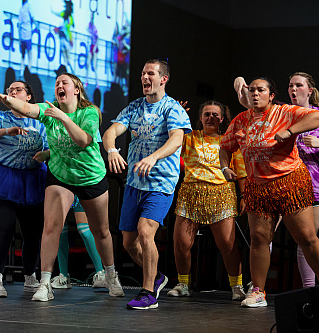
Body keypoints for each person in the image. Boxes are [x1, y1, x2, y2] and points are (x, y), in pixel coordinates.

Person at [0, 72, 124, 302]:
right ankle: (44, 283)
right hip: (60, 176)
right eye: (57, 83)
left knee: (100, 231)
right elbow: (28, 109)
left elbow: (83, 141)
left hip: (90, 176)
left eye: (65, 83)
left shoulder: (89, 112)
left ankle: (110, 275)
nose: (60, 86)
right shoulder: (49, 110)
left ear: (76, 90)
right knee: (51, 227)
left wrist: (64, 118)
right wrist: (7, 99)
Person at [221, 77, 319, 307]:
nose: (255, 94)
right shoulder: (241, 120)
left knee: (306, 238)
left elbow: (316, 116)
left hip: (288, 183)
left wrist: (289, 131)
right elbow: (225, 147)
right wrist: (225, 167)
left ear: (271, 94)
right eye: (251, 90)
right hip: (258, 187)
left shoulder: (284, 112)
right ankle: (258, 291)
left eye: (261, 90)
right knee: (259, 238)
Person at [103, 59, 192, 310]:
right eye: (143, 73)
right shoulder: (134, 107)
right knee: (129, 243)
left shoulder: (172, 109)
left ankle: (148, 292)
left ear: (163, 79)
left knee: (145, 231)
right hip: (134, 182)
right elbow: (111, 132)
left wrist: (153, 157)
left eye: (150, 73)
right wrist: (111, 149)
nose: (144, 77)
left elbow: (176, 139)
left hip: (161, 182)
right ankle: (158, 277)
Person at [0, 81, 46, 297]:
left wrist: (45, 154)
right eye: (9, 91)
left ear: (29, 97)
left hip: (32, 179)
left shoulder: (40, 120)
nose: (12, 93)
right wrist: (6, 131)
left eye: (18, 90)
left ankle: (30, 276)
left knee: (32, 233)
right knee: (4, 227)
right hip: (4, 177)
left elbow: (51, 145)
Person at [167, 101, 246, 301]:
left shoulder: (229, 141)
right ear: (200, 118)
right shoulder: (188, 138)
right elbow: (167, 139)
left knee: (227, 245)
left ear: (222, 119)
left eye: (215, 115)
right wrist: (177, 119)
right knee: (181, 243)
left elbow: (242, 171)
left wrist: (244, 195)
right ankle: (183, 284)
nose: (210, 118)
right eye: (206, 114)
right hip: (190, 194)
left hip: (221, 194)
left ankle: (236, 287)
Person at [51, 195, 105, 289]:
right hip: (62, 185)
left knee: (84, 229)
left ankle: (101, 273)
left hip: (80, 185)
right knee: (60, 229)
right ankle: (63, 276)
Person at [19, 0, 34, 75]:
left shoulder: (28, 6)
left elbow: (32, 17)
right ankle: (22, 69)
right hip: (22, 33)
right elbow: (19, 22)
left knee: (29, 52)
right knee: (23, 53)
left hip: (28, 32)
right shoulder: (21, 9)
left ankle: (29, 69)